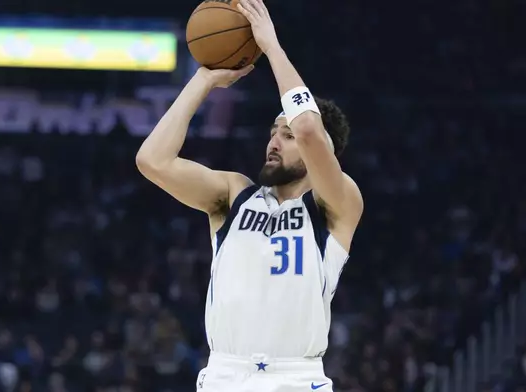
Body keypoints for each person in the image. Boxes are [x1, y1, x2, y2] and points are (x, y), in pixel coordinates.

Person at [136, 0, 363, 390]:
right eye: (274, 132)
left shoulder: (336, 204)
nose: (275, 141)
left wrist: (271, 47)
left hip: (296, 377)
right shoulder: (233, 194)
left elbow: (309, 128)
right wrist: (204, 79)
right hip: (225, 373)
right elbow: (152, 160)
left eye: (286, 135)